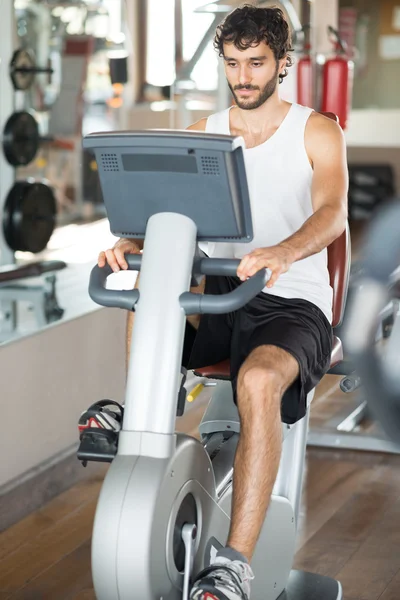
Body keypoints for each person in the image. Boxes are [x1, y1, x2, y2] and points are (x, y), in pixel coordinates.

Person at [97, 5, 348, 599]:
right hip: (219, 297)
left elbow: (333, 212)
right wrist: (129, 242)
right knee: (151, 289)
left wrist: (283, 252)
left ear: (283, 64)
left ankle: (234, 564)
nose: (243, 76)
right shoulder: (202, 136)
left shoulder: (316, 130)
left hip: (291, 304)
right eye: (233, 63)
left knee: (259, 384)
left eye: (257, 63)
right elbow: (164, 217)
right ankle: (140, 414)